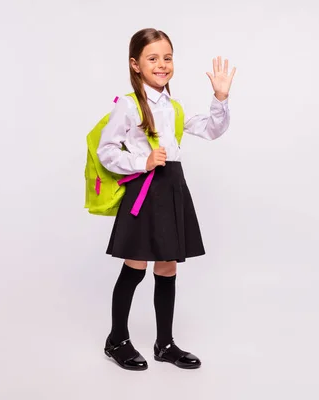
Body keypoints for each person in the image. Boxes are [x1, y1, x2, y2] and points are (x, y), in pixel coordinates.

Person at [96, 28, 236, 371]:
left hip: (172, 186)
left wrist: (219, 99)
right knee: (135, 265)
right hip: (144, 192)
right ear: (136, 65)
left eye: (168, 57)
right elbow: (106, 151)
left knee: (168, 265)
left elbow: (212, 130)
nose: (162, 64)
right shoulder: (129, 106)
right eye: (153, 58)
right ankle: (117, 339)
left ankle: (165, 343)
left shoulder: (173, 107)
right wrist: (140, 162)